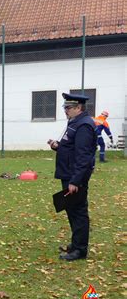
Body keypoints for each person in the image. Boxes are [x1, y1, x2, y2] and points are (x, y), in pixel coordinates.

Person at [47, 92, 96, 261]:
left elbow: (83, 156)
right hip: (68, 173)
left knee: (78, 212)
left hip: (75, 177)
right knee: (71, 210)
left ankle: (80, 250)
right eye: (65, 107)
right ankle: (75, 244)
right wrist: (57, 147)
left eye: (68, 108)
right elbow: (70, 148)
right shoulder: (75, 122)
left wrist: (75, 180)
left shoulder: (84, 125)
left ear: (78, 107)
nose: (65, 111)